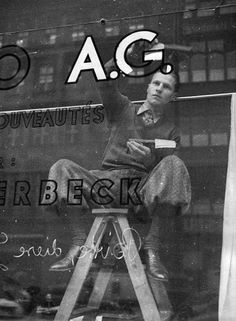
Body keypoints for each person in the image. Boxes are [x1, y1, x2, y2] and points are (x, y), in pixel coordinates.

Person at [43, 48, 191, 281]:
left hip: (140, 190)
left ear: (173, 96)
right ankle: (78, 243)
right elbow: (104, 81)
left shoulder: (172, 131)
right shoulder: (124, 108)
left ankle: (152, 248)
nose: (159, 88)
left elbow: (167, 178)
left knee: (174, 163)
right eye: (156, 83)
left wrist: (149, 161)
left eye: (167, 87)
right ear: (148, 86)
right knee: (62, 167)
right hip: (105, 183)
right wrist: (127, 56)